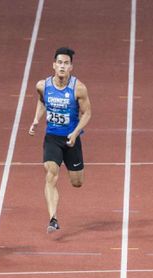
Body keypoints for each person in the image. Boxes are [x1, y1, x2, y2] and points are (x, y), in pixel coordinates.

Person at [28, 46, 92, 233]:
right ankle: (53, 218)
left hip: (71, 139)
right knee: (51, 173)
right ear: (53, 65)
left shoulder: (78, 88)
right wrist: (36, 120)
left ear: (71, 67)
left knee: (77, 182)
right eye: (60, 63)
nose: (62, 66)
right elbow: (42, 101)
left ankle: (72, 168)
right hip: (52, 138)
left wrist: (75, 133)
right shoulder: (43, 85)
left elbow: (87, 113)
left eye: (66, 63)